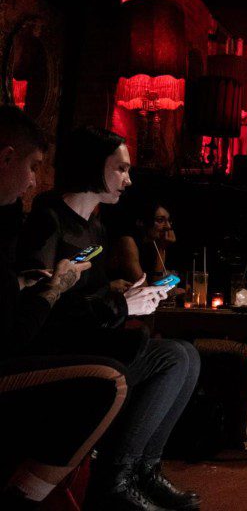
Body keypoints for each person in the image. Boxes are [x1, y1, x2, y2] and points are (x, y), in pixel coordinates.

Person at [16, 126, 201, 511]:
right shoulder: (49, 220)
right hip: (64, 357)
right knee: (173, 357)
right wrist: (121, 307)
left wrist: (125, 295)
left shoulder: (96, 228)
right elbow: (45, 308)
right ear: (92, 166)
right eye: (120, 169)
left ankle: (144, 470)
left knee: (186, 356)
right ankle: (116, 478)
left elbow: (88, 298)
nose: (128, 179)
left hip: (95, 342)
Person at [0, 106, 128, 511]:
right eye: (33, 165)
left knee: (165, 353)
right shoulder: (47, 218)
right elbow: (17, 334)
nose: (35, 180)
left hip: (35, 337)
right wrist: (53, 288)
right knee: (110, 378)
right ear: (5, 157)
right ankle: (22, 497)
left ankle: (129, 472)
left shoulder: (95, 227)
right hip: (22, 351)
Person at [109, 200, 177, 286]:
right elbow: (143, 287)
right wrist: (161, 249)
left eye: (168, 221)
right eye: (160, 220)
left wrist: (161, 248)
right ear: (141, 222)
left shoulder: (153, 243)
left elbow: (157, 285)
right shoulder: (128, 241)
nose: (168, 226)